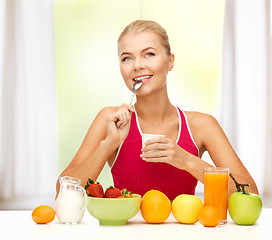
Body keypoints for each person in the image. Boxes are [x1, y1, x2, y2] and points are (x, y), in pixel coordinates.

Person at [56, 20, 258, 200]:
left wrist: (187, 160)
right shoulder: (110, 121)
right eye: (127, 58)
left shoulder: (202, 126)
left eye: (149, 54)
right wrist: (109, 144)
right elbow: (63, 193)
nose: (137, 65)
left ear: (170, 61)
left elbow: (251, 194)